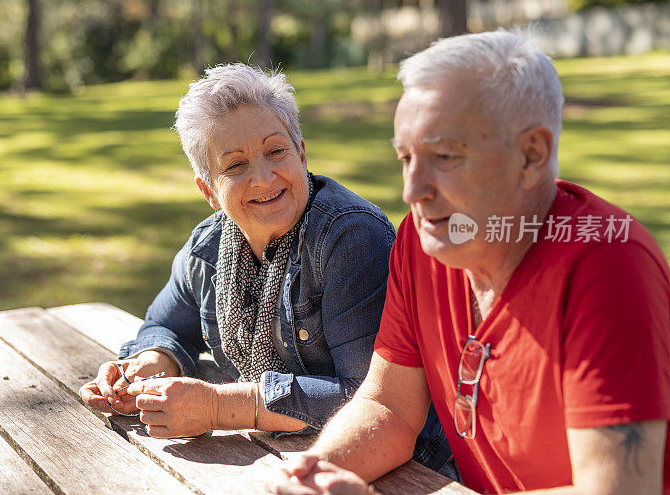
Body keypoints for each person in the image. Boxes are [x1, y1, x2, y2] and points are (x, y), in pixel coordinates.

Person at [271, 30, 670, 494]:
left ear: (531, 155)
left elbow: (619, 489)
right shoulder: (422, 241)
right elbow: (388, 409)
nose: (412, 190)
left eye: (444, 157)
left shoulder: (610, 265)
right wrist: (316, 471)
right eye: (406, 158)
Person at [78, 63, 452, 473]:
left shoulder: (350, 239)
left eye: (276, 151)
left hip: (397, 470)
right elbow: (165, 326)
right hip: (276, 461)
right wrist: (146, 369)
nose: (262, 177)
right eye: (235, 165)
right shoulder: (208, 247)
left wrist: (220, 406)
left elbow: (371, 399)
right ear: (208, 189)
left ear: (302, 153)